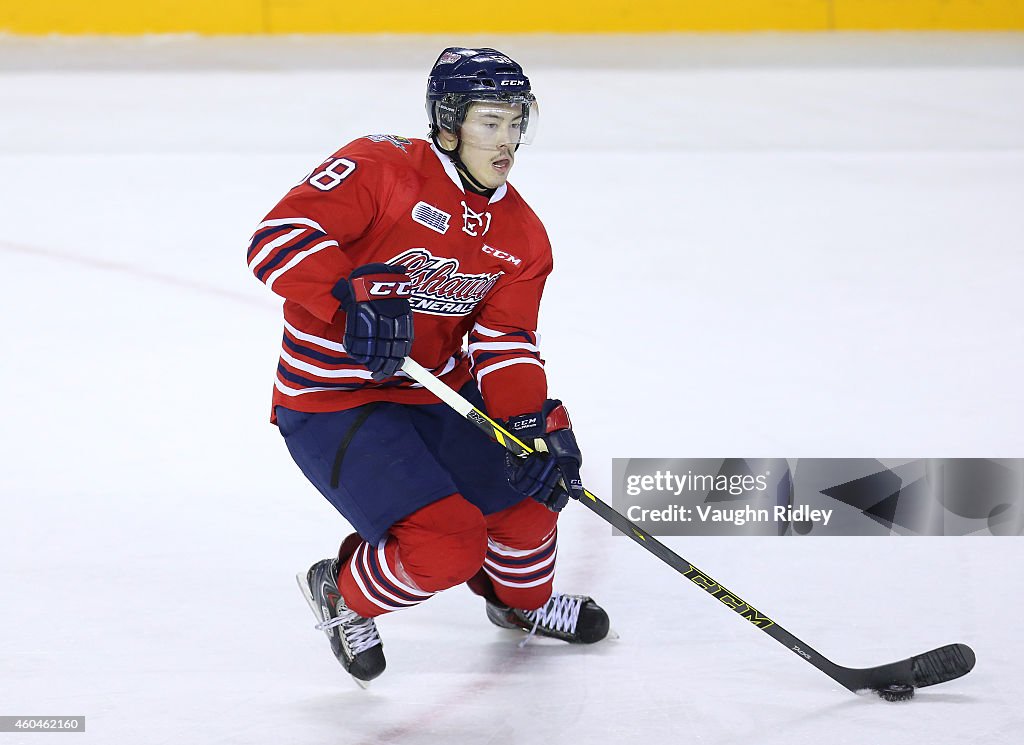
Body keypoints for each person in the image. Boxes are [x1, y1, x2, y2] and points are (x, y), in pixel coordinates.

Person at [248, 46, 609, 687]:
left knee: (529, 499)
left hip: (434, 393)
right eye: (490, 122)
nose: (507, 141)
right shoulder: (382, 166)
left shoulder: (521, 233)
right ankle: (341, 591)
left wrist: (529, 421)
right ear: (448, 120)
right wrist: (347, 295)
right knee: (446, 545)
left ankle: (518, 604)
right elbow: (276, 238)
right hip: (334, 401)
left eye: (516, 121)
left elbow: (504, 342)